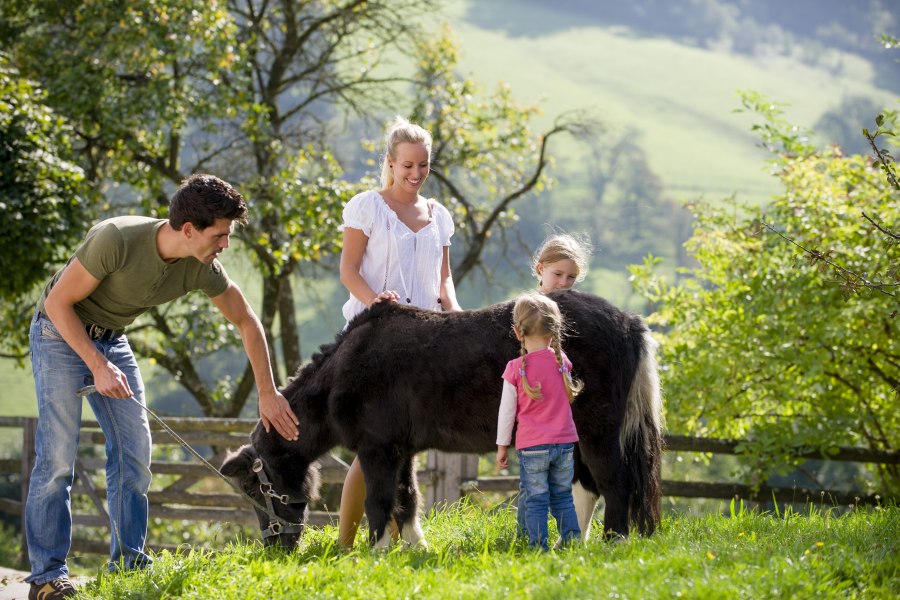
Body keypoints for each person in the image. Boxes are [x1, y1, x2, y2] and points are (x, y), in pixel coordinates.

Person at [25, 174, 300, 599]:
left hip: (111, 338)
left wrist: (267, 392)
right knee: (58, 457)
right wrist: (96, 365)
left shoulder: (200, 266)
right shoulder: (115, 239)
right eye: (220, 234)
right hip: (58, 334)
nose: (225, 244)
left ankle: (128, 566)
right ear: (188, 230)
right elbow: (58, 304)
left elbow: (246, 318)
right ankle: (46, 577)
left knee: (135, 456)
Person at [337, 115, 462, 547]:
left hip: (425, 340)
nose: (415, 174)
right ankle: (345, 543)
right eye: (407, 165)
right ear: (390, 162)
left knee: (403, 442)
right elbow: (349, 271)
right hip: (372, 341)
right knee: (375, 444)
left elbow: (443, 279)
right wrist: (376, 303)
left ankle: (398, 530)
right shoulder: (366, 206)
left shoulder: (440, 215)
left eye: (423, 165)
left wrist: (456, 314)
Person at [511, 231, 593, 537]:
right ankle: (532, 538)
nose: (563, 284)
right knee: (536, 488)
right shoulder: (528, 314)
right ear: (540, 269)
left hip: (560, 427)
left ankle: (551, 539)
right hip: (535, 423)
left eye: (571, 278)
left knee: (554, 490)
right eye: (557, 274)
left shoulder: (577, 316)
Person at [496, 292, 583, 551]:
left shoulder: (515, 369)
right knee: (563, 496)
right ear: (555, 331)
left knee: (536, 499)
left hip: (533, 446)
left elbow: (506, 413)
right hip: (566, 443)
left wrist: (502, 446)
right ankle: (573, 541)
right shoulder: (562, 362)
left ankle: (537, 547)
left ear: (517, 331)